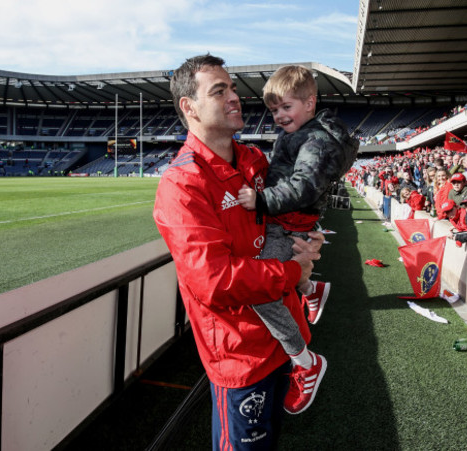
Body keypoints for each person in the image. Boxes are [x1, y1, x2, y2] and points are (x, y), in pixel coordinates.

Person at [153, 54, 324, 449]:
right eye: (219, 91)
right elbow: (215, 281)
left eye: (232, 87)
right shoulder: (182, 185)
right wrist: (293, 275)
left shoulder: (254, 160)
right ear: (189, 107)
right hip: (240, 354)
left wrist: (308, 239)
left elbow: (288, 216)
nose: (234, 97)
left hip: (284, 339)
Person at [237, 65, 359, 414]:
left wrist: (261, 200)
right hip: (289, 223)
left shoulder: (314, 139)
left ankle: (306, 362)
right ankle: (309, 290)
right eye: (274, 110)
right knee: (268, 283)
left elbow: (304, 185)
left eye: (285, 108)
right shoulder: (306, 133)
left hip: (288, 223)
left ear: (310, 102)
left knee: (259, 291)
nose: (278, 116)